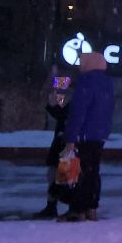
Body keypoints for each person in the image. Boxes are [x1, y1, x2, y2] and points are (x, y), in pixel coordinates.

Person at [60, 52, 115, 222]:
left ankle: (77, 210)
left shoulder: (86, 81)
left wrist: (70, 137)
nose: (79, 65)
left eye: (81, 62)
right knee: (93, 172)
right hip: (98, 136)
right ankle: (92, 208)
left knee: (75, 172)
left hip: (82, 135)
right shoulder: (108, 83)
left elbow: (78, 111)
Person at [35, 73, 72, 219]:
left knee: (63, 175)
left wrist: (52, 102)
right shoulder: (70, 83)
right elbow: (61, 112)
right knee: (57, 174)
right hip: (64, 139)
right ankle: (55, 206)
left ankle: (62, 206)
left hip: (67, 140)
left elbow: (62, 113)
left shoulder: (72, 82)